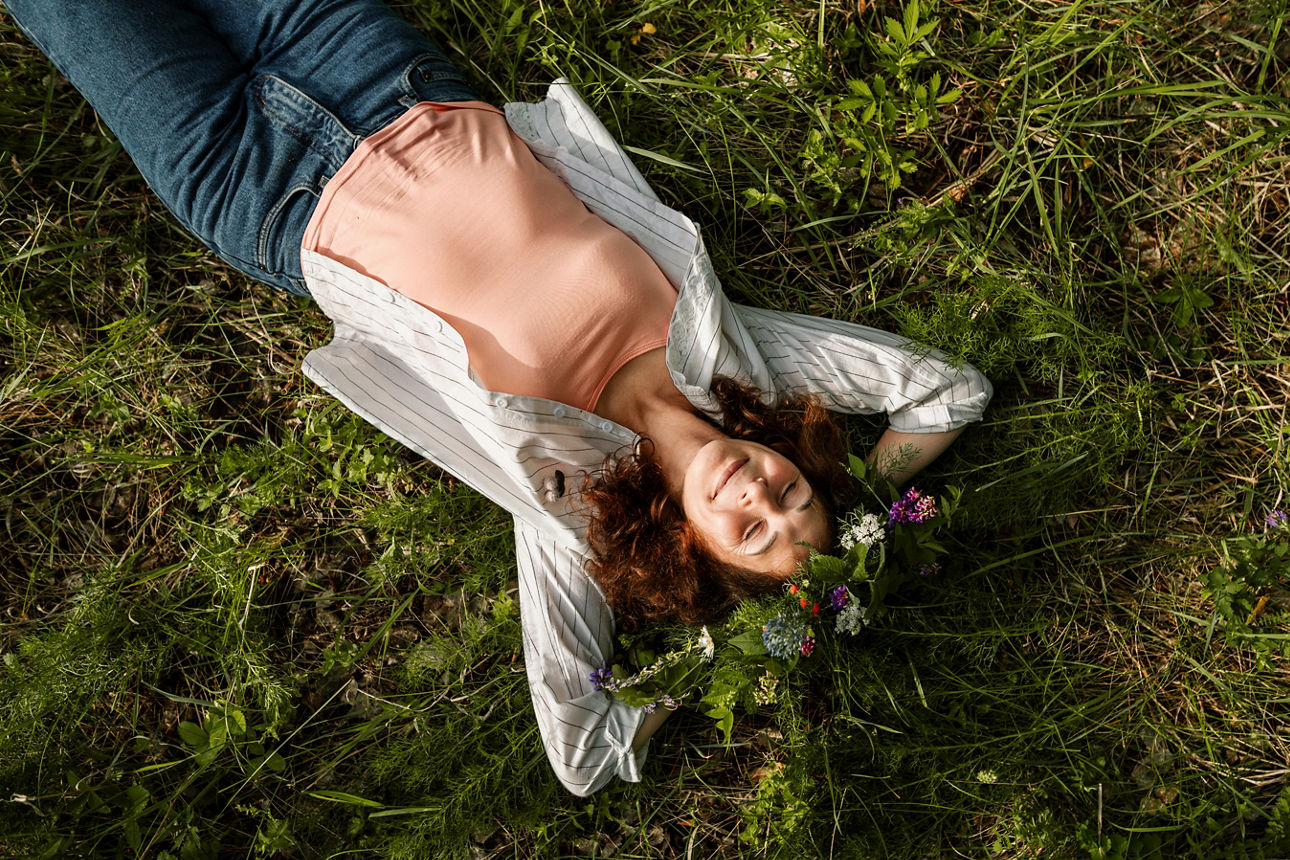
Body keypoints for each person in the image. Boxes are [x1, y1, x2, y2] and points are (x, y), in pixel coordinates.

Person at [3, 0, 992, 796]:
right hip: (360, 60)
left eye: (753, 529)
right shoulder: (748, 362)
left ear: (698, 548)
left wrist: (726, 648)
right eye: (794, 497)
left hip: (251, 185)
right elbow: (949, 392)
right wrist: (867, 511)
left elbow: (583, 751)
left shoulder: (569, 511)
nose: (762, 494)